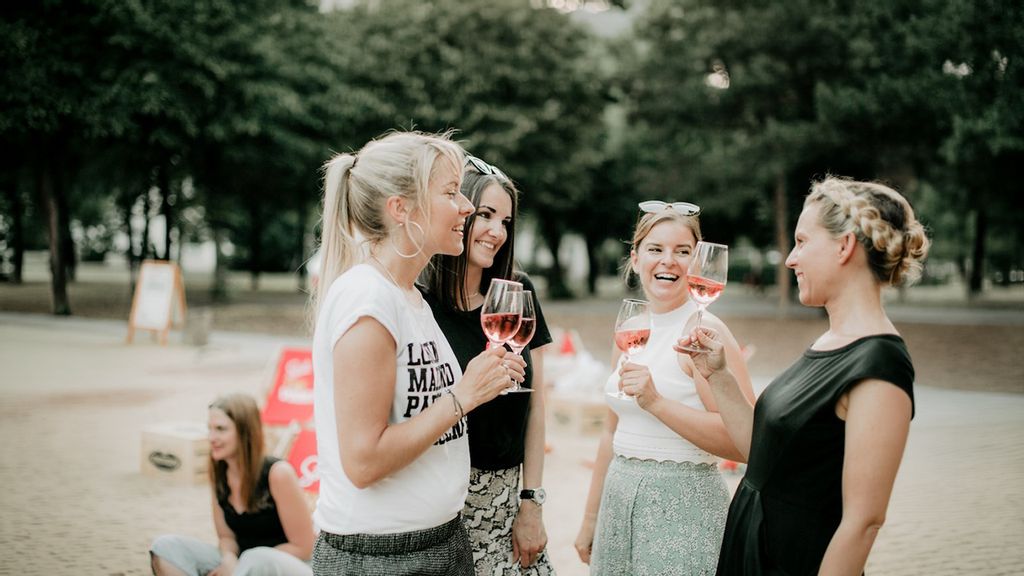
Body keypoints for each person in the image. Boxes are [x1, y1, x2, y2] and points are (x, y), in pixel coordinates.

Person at [677, 177, 930, 575]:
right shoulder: (831, 341)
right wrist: (719, 375)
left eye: (802, 242)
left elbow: (863, 523)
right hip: (752, 550)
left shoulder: (880, 364)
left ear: (844, 247)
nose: (790, 259)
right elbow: (762, 455)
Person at [309, 131, 516, 576]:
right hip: (383, 557)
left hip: (441, 543)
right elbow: (364, 462)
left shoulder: (409, 298)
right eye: (450, 192)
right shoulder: (367, 300)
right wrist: (463, 397)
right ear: (400, 209)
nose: (466, 206)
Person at [574, 201, 756, 575]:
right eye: (655, 249)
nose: (667, 261)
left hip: (683, 509)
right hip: (618, 504)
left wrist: (656, 402)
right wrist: (591, 517)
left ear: (698, 262)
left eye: (682, 251)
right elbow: (611, 431)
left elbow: (745, 442)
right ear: (636, 257)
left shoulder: (705, 332)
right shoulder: (632, 328)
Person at [421, 155, 554, 574]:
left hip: (507, 498)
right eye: (486, 215)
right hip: (443, 501)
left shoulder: (518, 292)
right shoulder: (421, 303)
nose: (497, 232)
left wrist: (531, 501)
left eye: (506, 222)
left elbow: (536, 405)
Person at [150, 393, 315, 576]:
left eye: (221, 429)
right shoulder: (219, 472)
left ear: (246, 432)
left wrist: (244, 564)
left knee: (256, 559)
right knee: (166, 546)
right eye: (209, 428)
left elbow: (304, 547)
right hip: (242, 564)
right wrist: (229, 560)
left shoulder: (278, 473)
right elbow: (226, 536)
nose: (211, 437)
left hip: (289, 565)